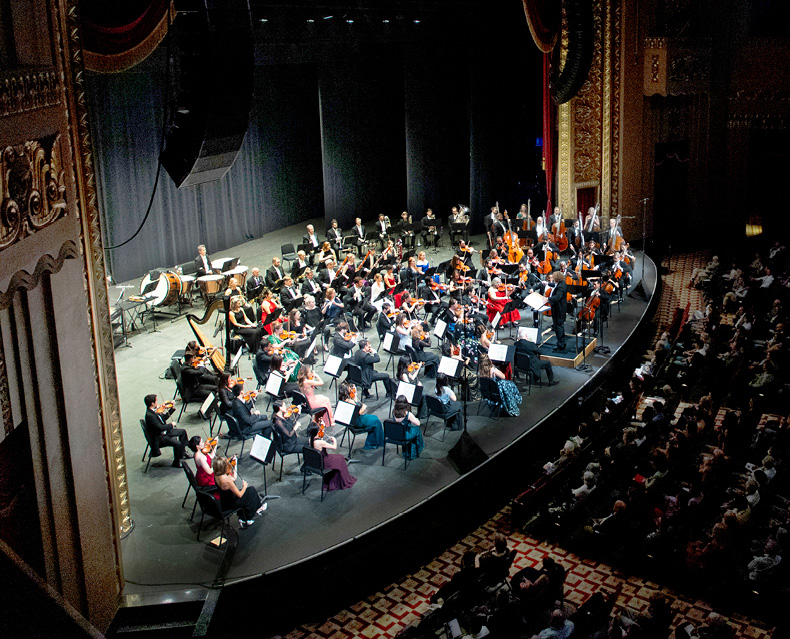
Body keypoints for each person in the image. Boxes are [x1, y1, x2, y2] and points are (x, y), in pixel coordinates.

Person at [213, 455, 266, 529]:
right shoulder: (227, 480)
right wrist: (244, 486)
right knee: (251, 491)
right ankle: (246, 518)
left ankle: (256, 507)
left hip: (225, 501)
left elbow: (234, 478)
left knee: (250, 491)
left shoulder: (217, 475)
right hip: (232, 502)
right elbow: (240, 495)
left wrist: (235, 465)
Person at [143, 394, 189, 467]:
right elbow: (160, 427)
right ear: (152, 403)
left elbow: (163, 418)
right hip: (159, 437)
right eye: (156, 401)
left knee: (182, 432)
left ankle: (183, 452)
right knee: (178, 444)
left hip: (164, 432)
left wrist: (172, 409)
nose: (158, 402)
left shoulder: (154, 411)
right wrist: (171, 425)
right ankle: (176, 462)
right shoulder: (150, 416)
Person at [309, 422, 357, 491]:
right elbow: (334, 447)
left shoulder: (310, 439)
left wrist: (322, 426)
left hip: (317, 460)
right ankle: (343, 481)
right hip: (324, 461)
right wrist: (334, 440)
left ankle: (336, 479)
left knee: (339, 457)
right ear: (317, 432)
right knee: (340, 458)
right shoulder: (320, 442)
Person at [339, 381, 384, 450]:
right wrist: (363, 407)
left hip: (350, 421)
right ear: (345, 391)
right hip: (357, 421)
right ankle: (372, 444)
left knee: (374, 420)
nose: (350, 388)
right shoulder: (349, 401)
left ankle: (372, 442)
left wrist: (355, 396)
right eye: (349, 388)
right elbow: (358, 412)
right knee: (376, 421)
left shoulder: (342, 400)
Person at [392, 395, 424, 460]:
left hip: (396, 433)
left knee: (412, 428)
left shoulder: (394, 411)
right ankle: (415, 451)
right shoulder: (407, 414)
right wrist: (416, 419)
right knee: (417, 429)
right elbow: (418, 423)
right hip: (405, 435)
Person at [547, 271, 568, 352]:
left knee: (558, 326)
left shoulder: (561, 286)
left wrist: (548, 299)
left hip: (559, 309)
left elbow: (557, 296)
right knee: (558, 326)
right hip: (559, 308)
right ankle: (560, 342)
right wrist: (547, 284)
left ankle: (561, 344)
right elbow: (554, 285)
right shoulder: (561, 283)